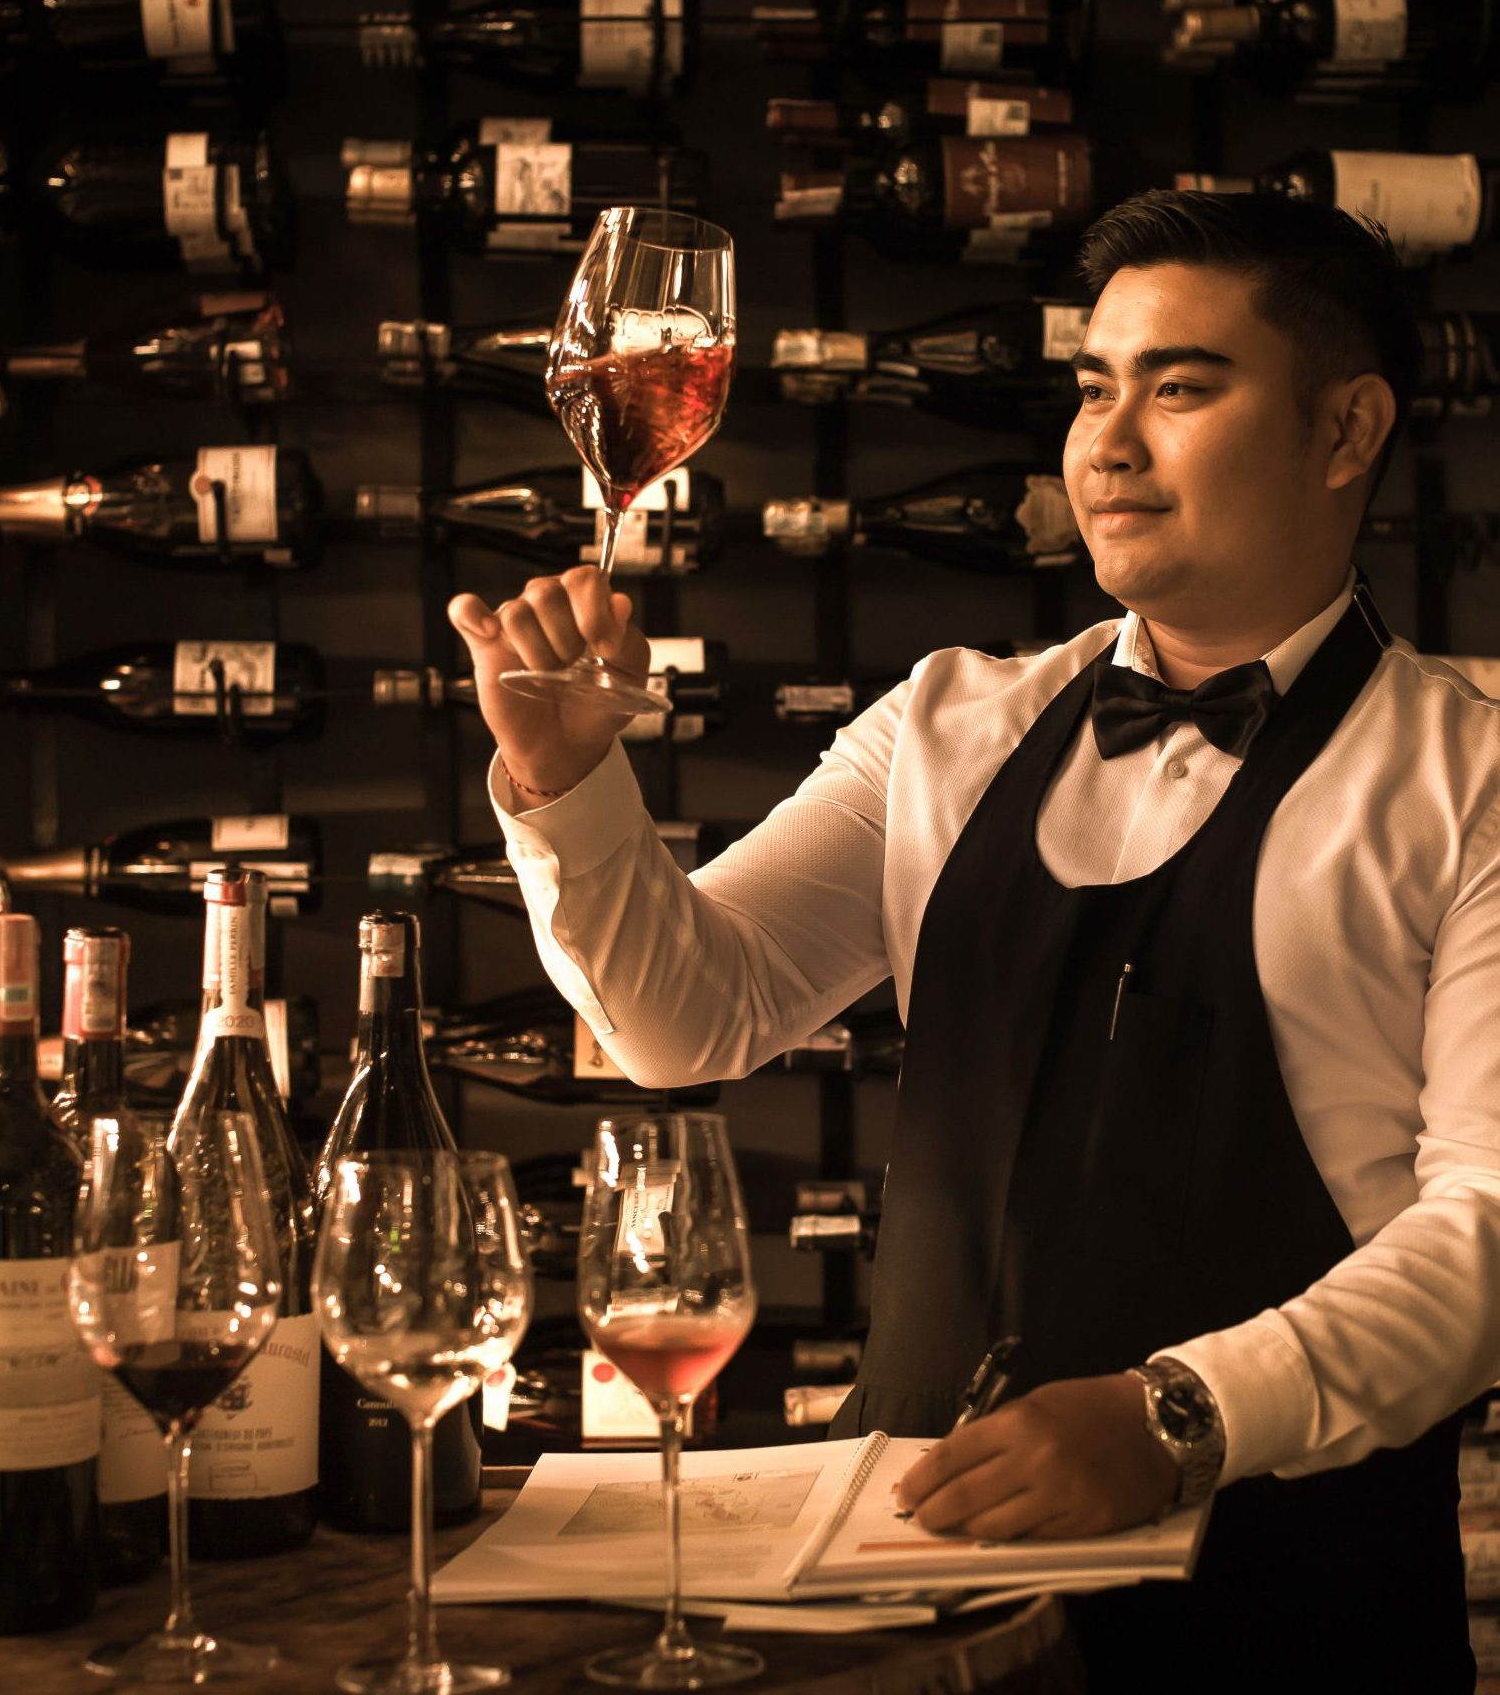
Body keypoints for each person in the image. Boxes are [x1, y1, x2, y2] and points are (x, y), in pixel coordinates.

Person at [447, 189, 1497, 1690]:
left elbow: (1486, 1223)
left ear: (1346, 431)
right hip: (911, 1592)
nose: (1106, 445)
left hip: (1294, 1606)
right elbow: (687, 1019)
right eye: (1093, 387)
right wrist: (567, 784)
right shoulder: (948, 723)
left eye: (1178, 388)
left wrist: (1177, 1413)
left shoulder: (1472, 773)